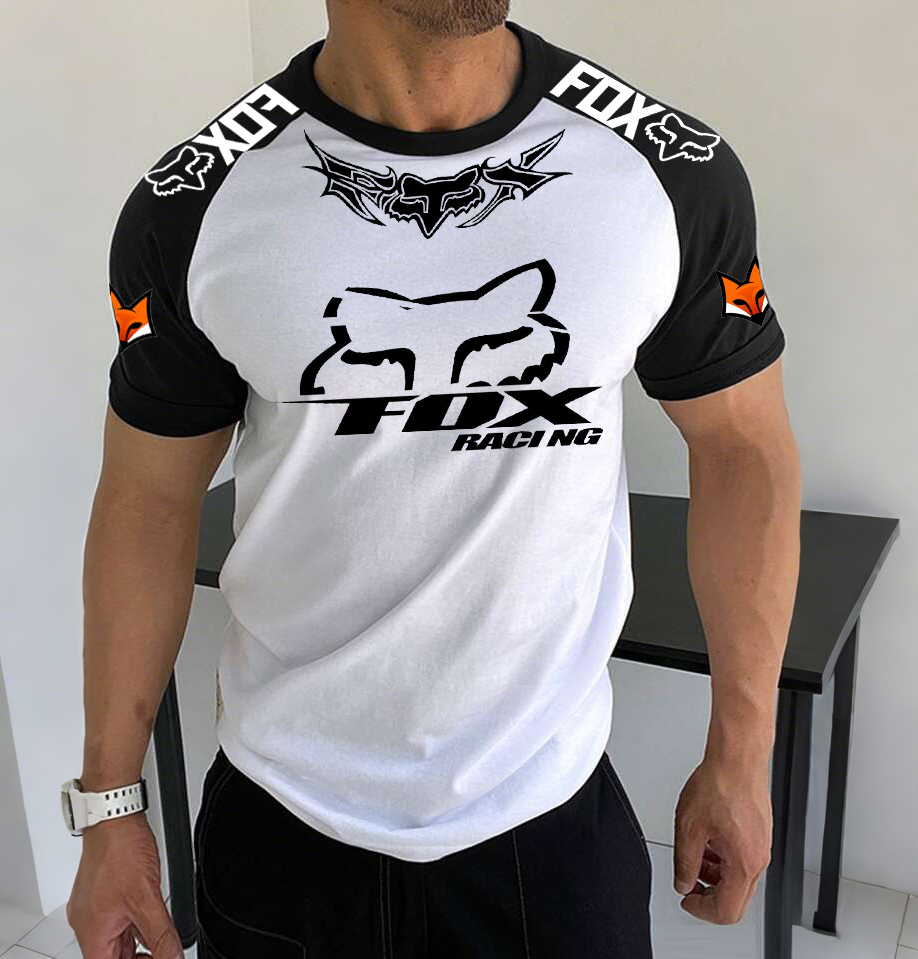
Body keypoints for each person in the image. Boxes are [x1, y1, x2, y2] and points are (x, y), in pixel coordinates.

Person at [65, 1, 801, 956]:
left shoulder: (665, 169)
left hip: (549, 825)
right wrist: (109, 803)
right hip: (284, 826)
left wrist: (743, 753)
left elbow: (743, 448)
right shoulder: (197, 200)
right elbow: (146, 501)